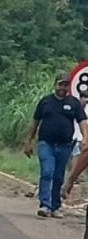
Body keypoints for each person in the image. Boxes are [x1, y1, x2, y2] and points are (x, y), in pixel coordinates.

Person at [25, 74, 85, 218]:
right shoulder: (45, 102)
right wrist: (28, 142)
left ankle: (55, 206)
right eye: (60, 85)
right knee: (47, 172)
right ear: (55, 85)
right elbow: (35, 123)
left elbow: (82, 121)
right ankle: (45, 205)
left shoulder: (74, 103)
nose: (62, 88)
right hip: (46, 144)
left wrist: (85, 138)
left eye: (65, 85)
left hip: (65, 145)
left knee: (58, 176)